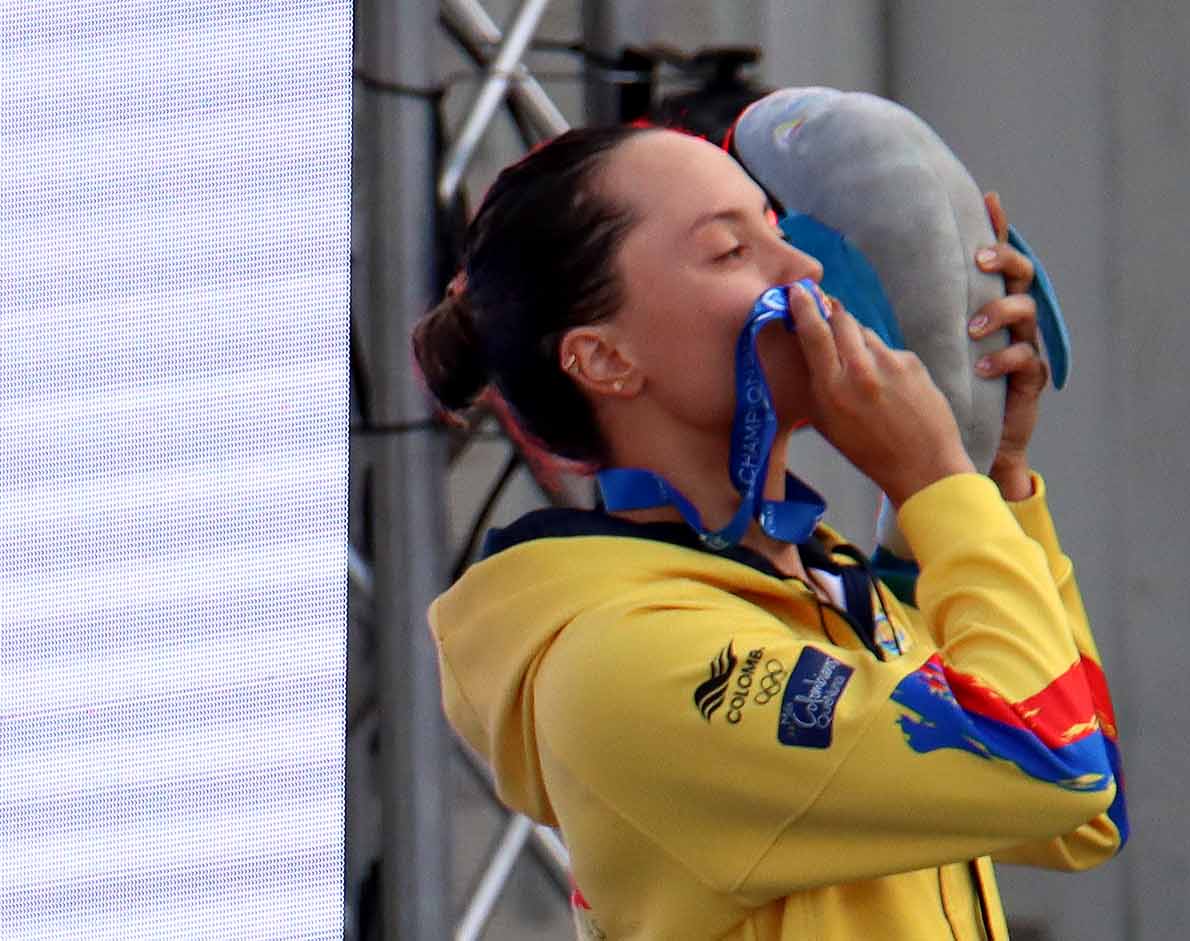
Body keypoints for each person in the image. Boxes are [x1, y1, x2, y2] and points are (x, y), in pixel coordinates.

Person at [414, 125, 1126, 941]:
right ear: (604, 358)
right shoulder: (623, 654)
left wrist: (990, 474)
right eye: (729, 251)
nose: (803, 270)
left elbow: (1086, 814)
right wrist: (938, 484)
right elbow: (1052, 764)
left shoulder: (827, 583)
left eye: (775, 226)